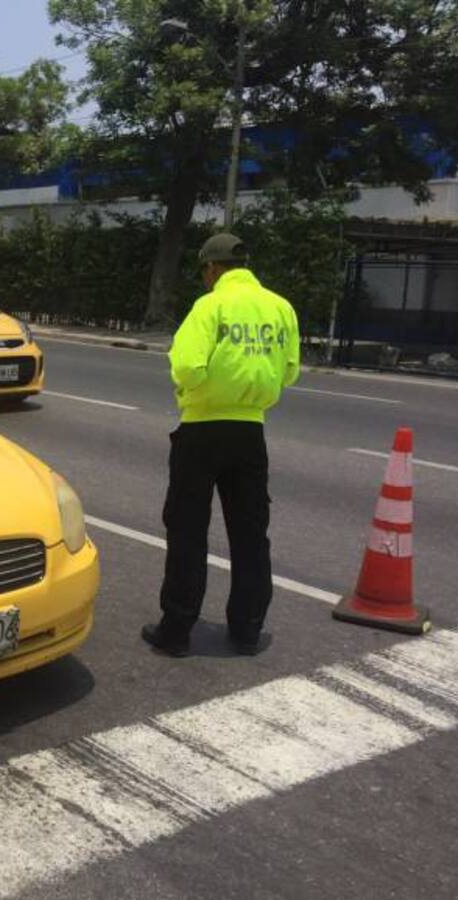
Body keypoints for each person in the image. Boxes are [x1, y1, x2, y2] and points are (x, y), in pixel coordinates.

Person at [142, 233, 299, 658]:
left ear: (211, 268)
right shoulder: (280, 307)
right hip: (250, 432)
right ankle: (247, 628)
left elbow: (187, 367)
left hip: (202, 430)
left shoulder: (209, 306)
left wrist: (198, 384)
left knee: (188, 529)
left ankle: (176, 630)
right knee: (250, 533)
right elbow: (289, 372)